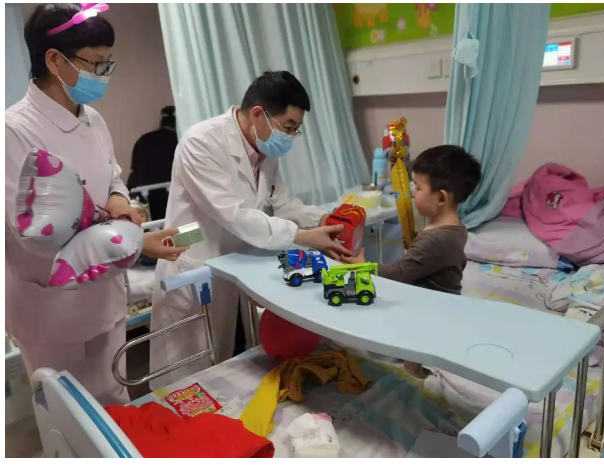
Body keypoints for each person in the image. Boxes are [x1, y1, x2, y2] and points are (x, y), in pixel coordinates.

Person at [5, 3, 187, 405]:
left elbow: (113, 175)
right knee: (67, 416)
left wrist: (119, 200)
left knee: (115, 402)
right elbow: (36, 231)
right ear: (55, 60)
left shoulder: (93, 120)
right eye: (97, 64)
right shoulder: (14, 131)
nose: (104, 74)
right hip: (52, 307)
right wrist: (135, 242)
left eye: (108, 63)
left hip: (104, 297)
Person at [150, 71, 351, 390]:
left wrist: (321, 218)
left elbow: (280, 202)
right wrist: (302, 236)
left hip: (231, 264)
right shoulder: (201, 142)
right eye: (288, 127)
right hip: (193, 263)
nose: (290, 137)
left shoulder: (264, 150)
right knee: (182, 379)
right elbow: (235, 215)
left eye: (295, 130)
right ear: (258, 114)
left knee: (221, 368)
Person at [342, 145, 482, 377]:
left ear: (441, 198)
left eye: (417, 187)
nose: (412, 193)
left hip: (430, 311)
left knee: (378, 325)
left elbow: (398, 273)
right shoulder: (453, 227)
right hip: (441, 301)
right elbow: (429, 259)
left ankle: (415, 363)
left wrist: (362, 266)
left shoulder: (435, 239)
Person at [127, 106, 178, 221]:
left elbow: (134, 168)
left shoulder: (144, 140)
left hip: (146, 197)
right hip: (169, 195)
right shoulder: (177, 140)